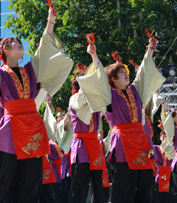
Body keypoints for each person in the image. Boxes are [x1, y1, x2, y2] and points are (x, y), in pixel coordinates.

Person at [0, 5, 74, 203]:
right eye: (14, 42)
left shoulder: (30, 70)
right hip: (10, 129)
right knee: (7, 179)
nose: (19, 43)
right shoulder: (1, 73)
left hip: (32, 126)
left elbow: (44, 48)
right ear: (5, 50)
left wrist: (51, 20)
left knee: (33, 178)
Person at [77, 36, 165, 202]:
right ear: (113, 79)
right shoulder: (109, 95)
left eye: (125, 71)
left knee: (146, 183)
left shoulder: (135, 90)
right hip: (124, 143)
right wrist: (94, 56)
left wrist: (150, 50)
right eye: (121, 72)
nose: (126, 74)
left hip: (141, 141)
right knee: (124, 184)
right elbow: (101, 79)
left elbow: (144, 72)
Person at [68, 44, 110, 203]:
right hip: (81, 145)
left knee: (99, 187)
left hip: (94, 144)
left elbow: (101, 80)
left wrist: (94, 56)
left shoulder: (95, 99)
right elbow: (82, 98)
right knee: (80, 187)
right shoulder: (75, 98)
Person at [154, 131, 174, 203]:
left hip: (171, 177)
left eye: (167, 136)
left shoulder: (174, 150)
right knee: (159, 199)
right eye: (163, 135)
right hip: (159, 178)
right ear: (160, 137)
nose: (165, 138)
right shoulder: (155, 148)